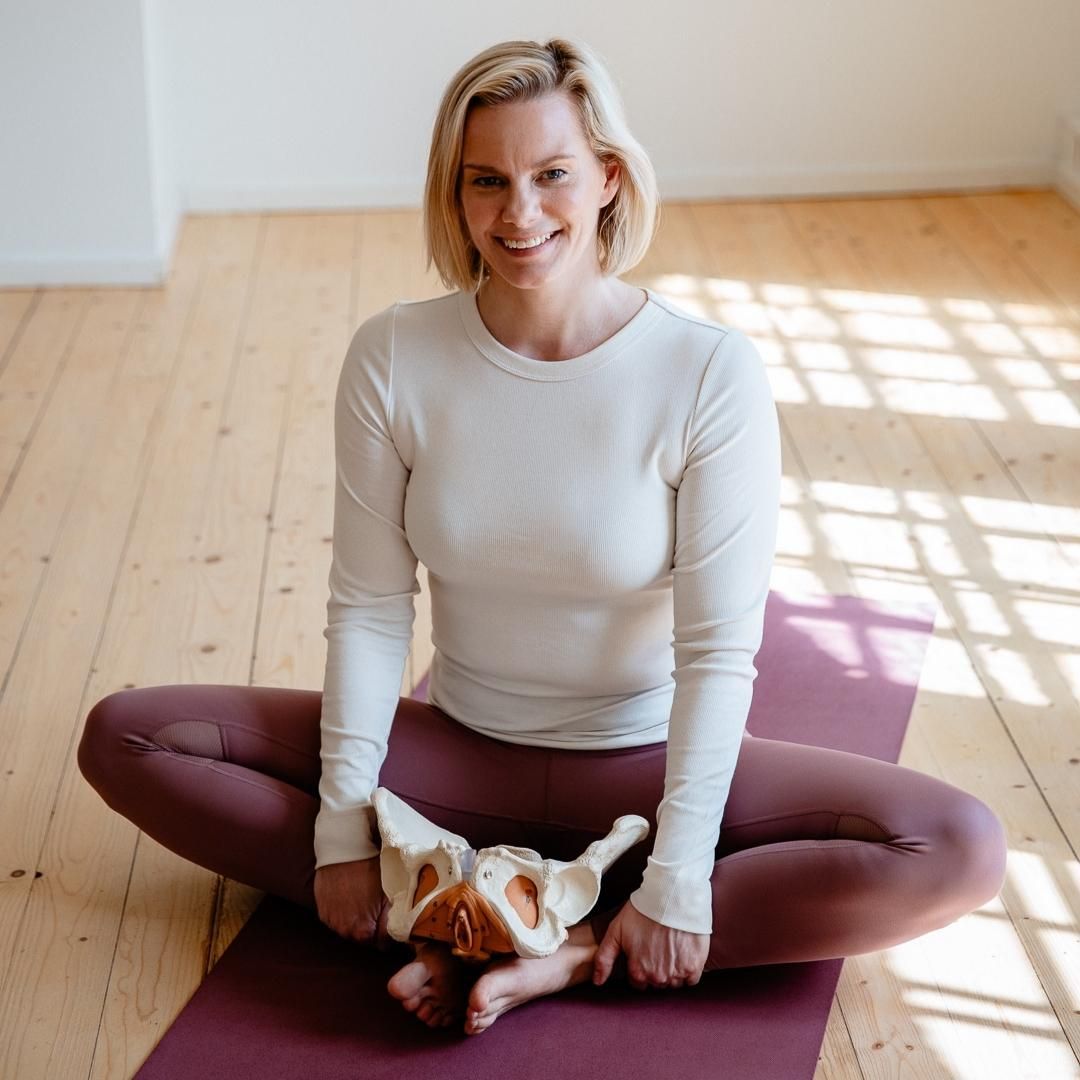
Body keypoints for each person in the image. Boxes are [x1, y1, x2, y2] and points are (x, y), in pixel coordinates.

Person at [77, 37, 1009, 1039]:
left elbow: (716, 651)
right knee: (128, 736)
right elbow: (372, 608)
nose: (518, 213)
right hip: (455, 761)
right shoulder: (394, 356)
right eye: (487, 180)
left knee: (958, 845)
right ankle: (486, 907)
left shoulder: (707, 371)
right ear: (455, 192)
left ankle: (552, 940)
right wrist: (341, 832)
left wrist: (679, 877)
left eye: (551, 174)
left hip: (641, 768)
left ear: (608, 178)